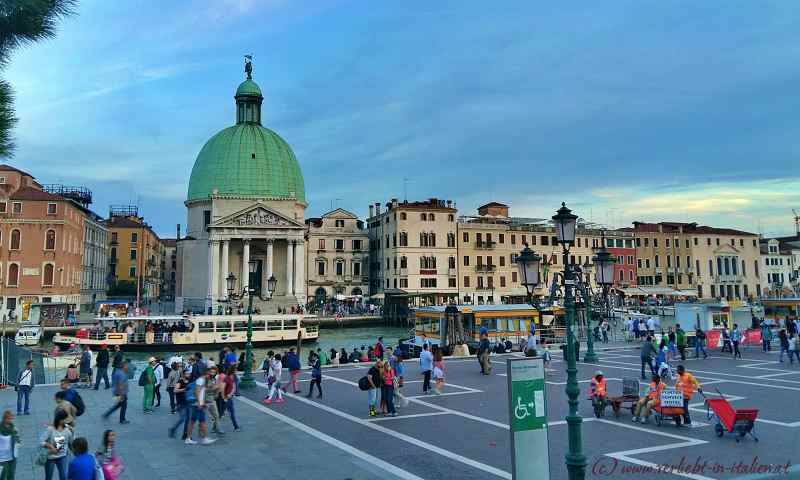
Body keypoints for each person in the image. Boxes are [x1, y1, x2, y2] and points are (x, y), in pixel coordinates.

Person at [185, 369, 217, 445]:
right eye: (210, 374)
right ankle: (205, 438)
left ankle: (188, 438)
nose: (211, 376)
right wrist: (200, 403)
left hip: (197, 404)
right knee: (202, 421)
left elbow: (201, 392)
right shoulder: (201, 380)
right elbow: (196, 391)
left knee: (192, 421)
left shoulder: (201, 380)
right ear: (206, 374)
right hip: (197, 404)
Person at [40, 409, 73, 480]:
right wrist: (50, 446)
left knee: (64, 476)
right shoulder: (50, 429)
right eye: (64, 419)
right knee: (49, 477)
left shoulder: (68, 429)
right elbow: (41, 441)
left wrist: (72, 433)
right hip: (50, 457)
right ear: (59, 419)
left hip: (62, 456)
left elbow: (71, 442)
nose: (65, 421)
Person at [168, 370, 191, 440]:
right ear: (183, 375)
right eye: (187, 374)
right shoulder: (180, 382)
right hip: (181, 404)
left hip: (188, 403)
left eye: (189, 374)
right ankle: (173, 429)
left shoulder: (189, 382)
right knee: (183, 418)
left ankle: (185, 434)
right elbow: (175, 390)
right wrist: (184, 389)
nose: (188, 375)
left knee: (188, 419)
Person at [0, 411, 20, 479]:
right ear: (4, 418)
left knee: (11, 475)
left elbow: (18, 438)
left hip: (12, 456)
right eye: (9, 419)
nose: (10, 420)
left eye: (11, 419)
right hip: (1, 458)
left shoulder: (13, 428)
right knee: (2, 476)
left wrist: (18, 443)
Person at [204, 365, 223, 434]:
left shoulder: (214, 379)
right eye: (211, 372)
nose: (212, 373)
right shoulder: (206, 379)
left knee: (215, 415)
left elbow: (215, 389)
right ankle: (217, 429)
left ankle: (215, 428)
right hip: (206, 400)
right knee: (215, 415)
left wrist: (217, 391)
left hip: (212, 399)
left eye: (214, 372)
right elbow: (204, 390)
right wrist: (214, 388)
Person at [222, 366, 240, 432]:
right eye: (235, 370)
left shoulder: (234, 377)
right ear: (232, 371)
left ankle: (236, 427)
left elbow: (234, 387)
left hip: (229, 397)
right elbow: (222, 388)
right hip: (225, 398)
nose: (236, 371)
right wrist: (224, 397)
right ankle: (215, 427)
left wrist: (231, 394)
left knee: (231, 412)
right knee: (220, 413)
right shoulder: (226, 378)